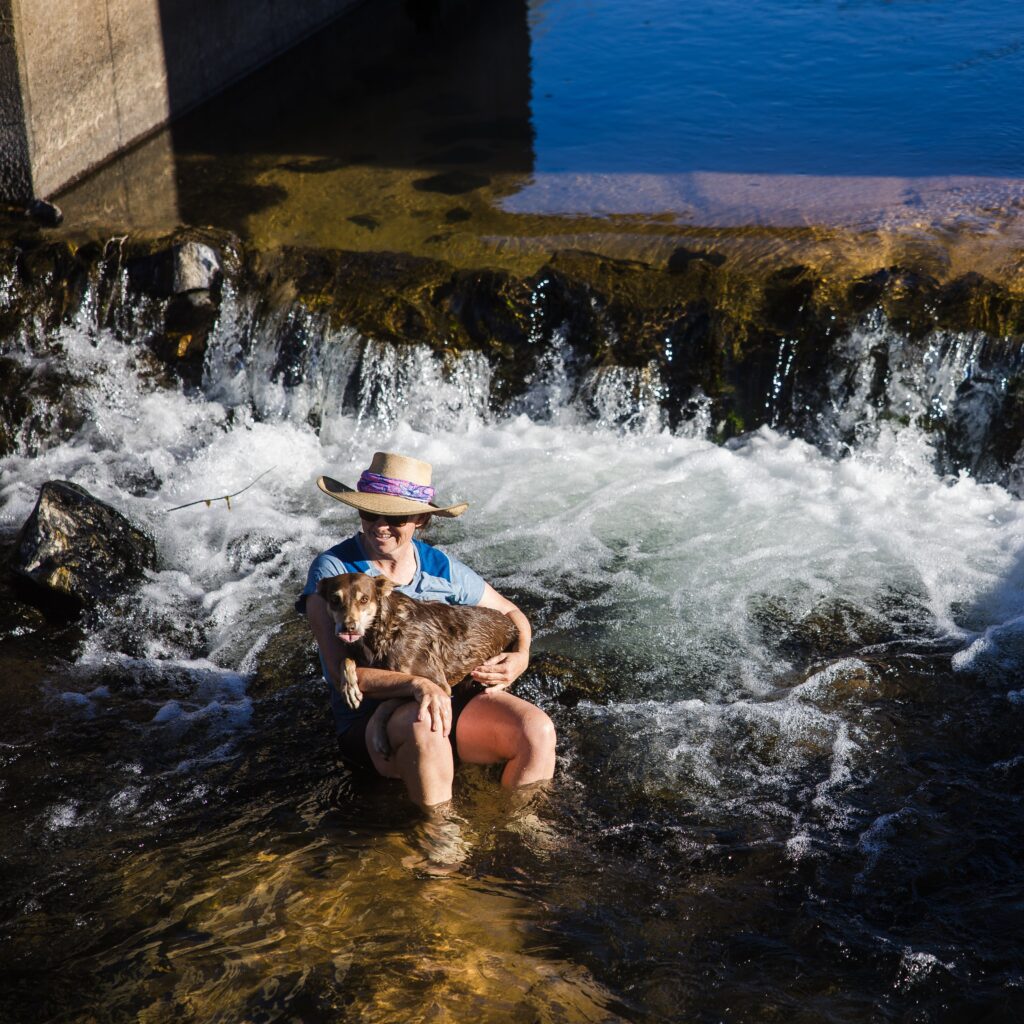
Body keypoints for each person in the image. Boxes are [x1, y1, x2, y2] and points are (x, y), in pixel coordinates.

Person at [297, 451, 556, 815]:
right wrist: (419, 686)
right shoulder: (335, 572)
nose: (380, 525)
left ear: (420, 519)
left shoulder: (440, 567)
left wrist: (521, 656)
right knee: (425, 723)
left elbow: (512, 613)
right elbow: (342, 674)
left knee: (536, 731)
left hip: (454, 699)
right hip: (372, 720)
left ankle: (514, 827)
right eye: (370, 513)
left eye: (396, 516)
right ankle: (440, 839)